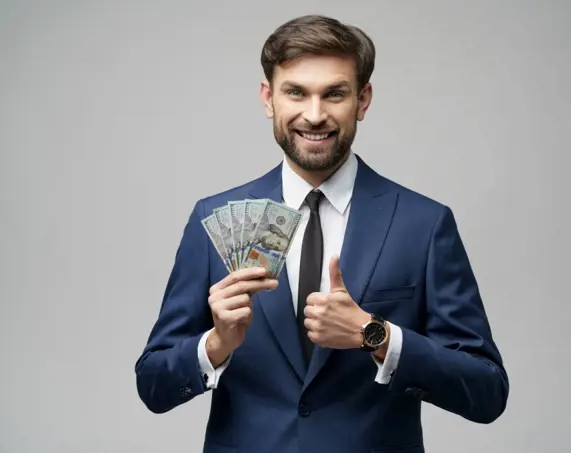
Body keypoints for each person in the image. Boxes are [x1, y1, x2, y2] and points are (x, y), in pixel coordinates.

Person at [135, 14, 509, 453]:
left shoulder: (424, 224)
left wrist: (377, 335)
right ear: (267, 97)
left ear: (362, 100)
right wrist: (216, 344)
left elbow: (486, 392)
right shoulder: (212, 218)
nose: (314, 115)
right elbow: (153, 387)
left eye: (334, 94)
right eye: (296, 92)